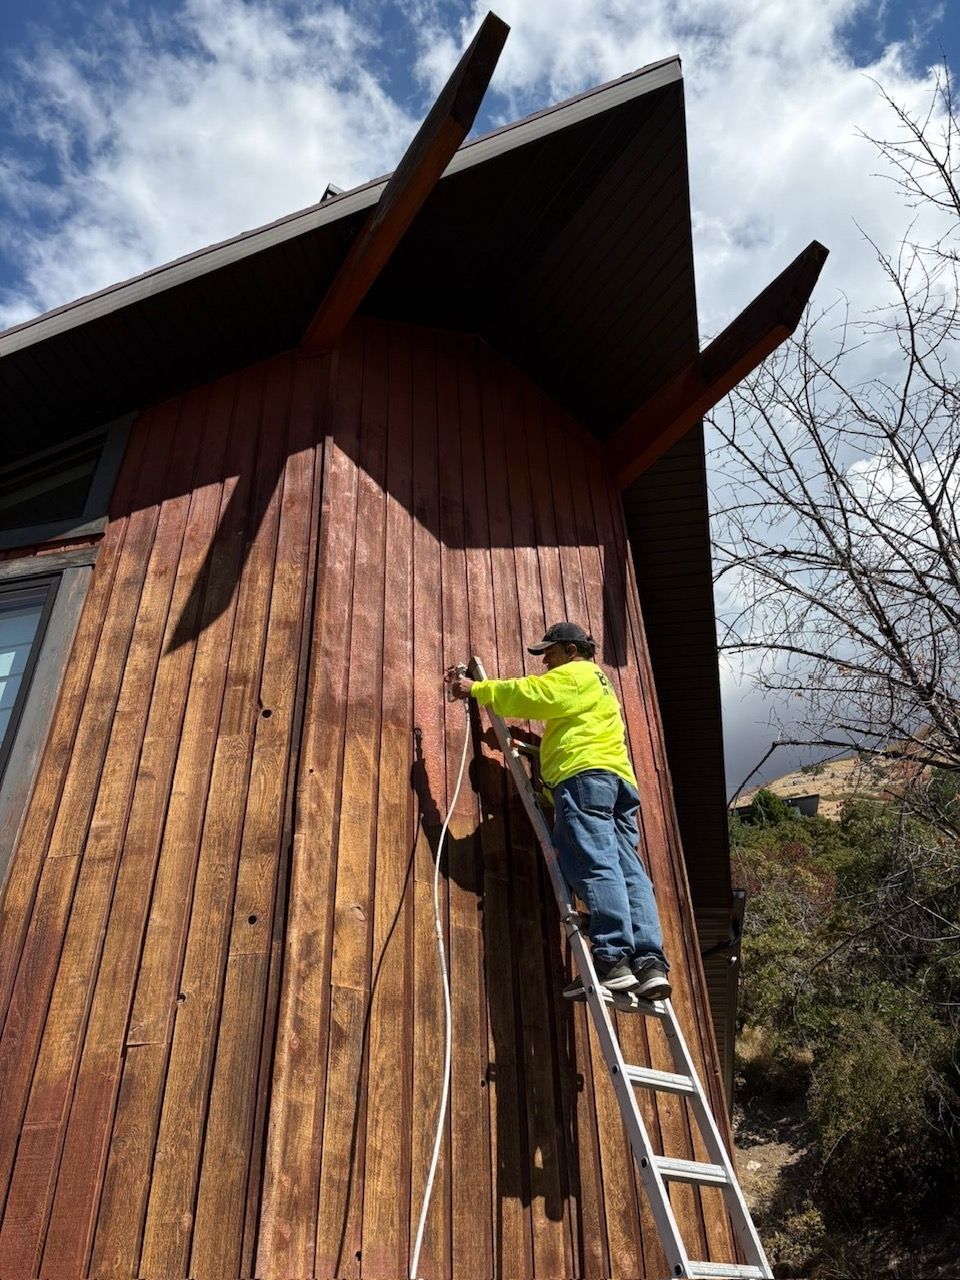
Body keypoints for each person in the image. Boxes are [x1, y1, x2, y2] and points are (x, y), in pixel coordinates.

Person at [444, 621, 671, 1001]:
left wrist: (476, 688)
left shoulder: (577, 674)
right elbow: (570, 727)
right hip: (615, 782)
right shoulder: (600, 686)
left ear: (571, 650)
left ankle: (613, 960)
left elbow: (532, 694)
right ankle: (649, 964)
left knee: (596, 864)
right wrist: (540, 760)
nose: (545, 661)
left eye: (549, 652)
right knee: (628, 870)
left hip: (584, 778)